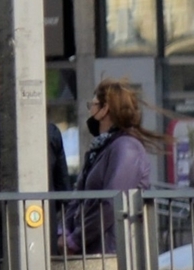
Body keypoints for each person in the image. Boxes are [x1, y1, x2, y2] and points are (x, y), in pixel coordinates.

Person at [65, 80, 162, 255]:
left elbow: (111, 203)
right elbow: (77, 196)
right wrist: (65, 231)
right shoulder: (101, 148)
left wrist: (75, 241)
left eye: (92, 105)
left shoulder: (125, 147)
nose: (89, 110)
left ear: (105, 109)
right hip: (94, 251)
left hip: (112, 255)